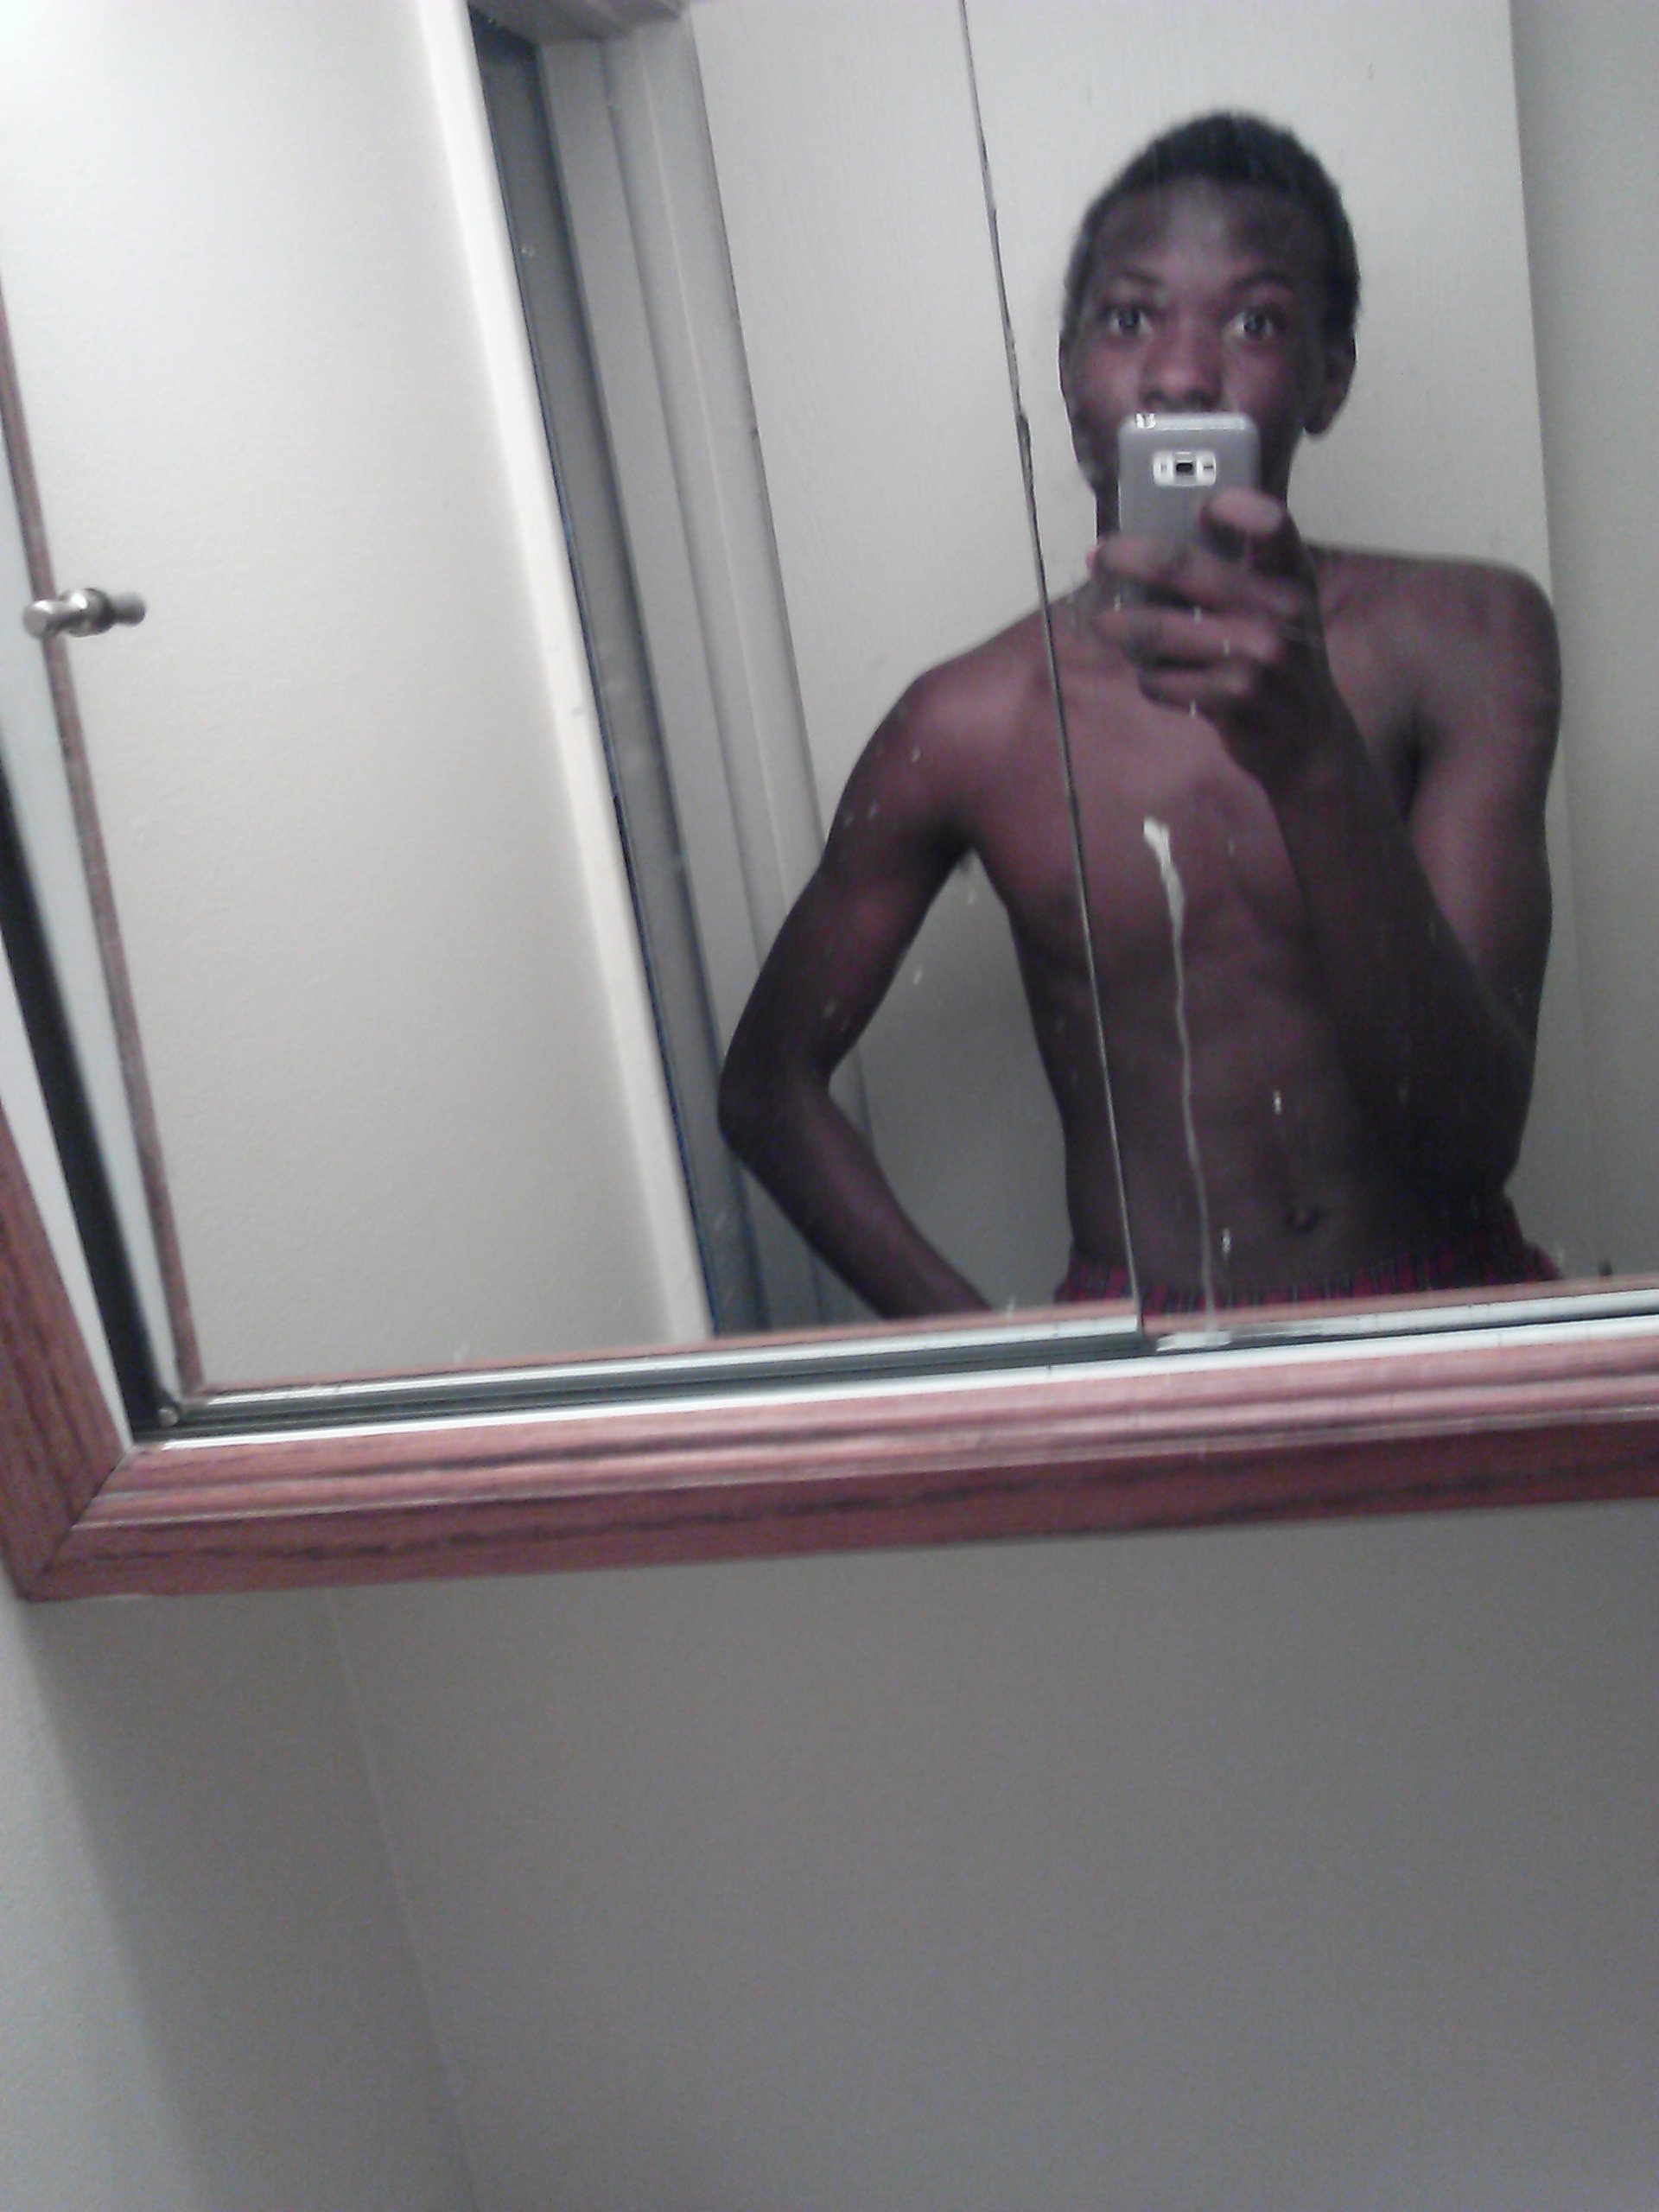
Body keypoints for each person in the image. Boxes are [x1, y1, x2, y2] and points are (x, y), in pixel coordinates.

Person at [718, 111, 1560, 1318]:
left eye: (1256, 322)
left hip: (1447, 1304)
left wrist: (1314, 758)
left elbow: (1471, 1142)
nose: (1179, 374)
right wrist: (1005, 1372)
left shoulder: (1468, 638)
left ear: (1329, 375)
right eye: (1128, 319)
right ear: (1071, 380)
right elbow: (766, 1089)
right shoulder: (973, 723)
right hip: (1148, 1340)